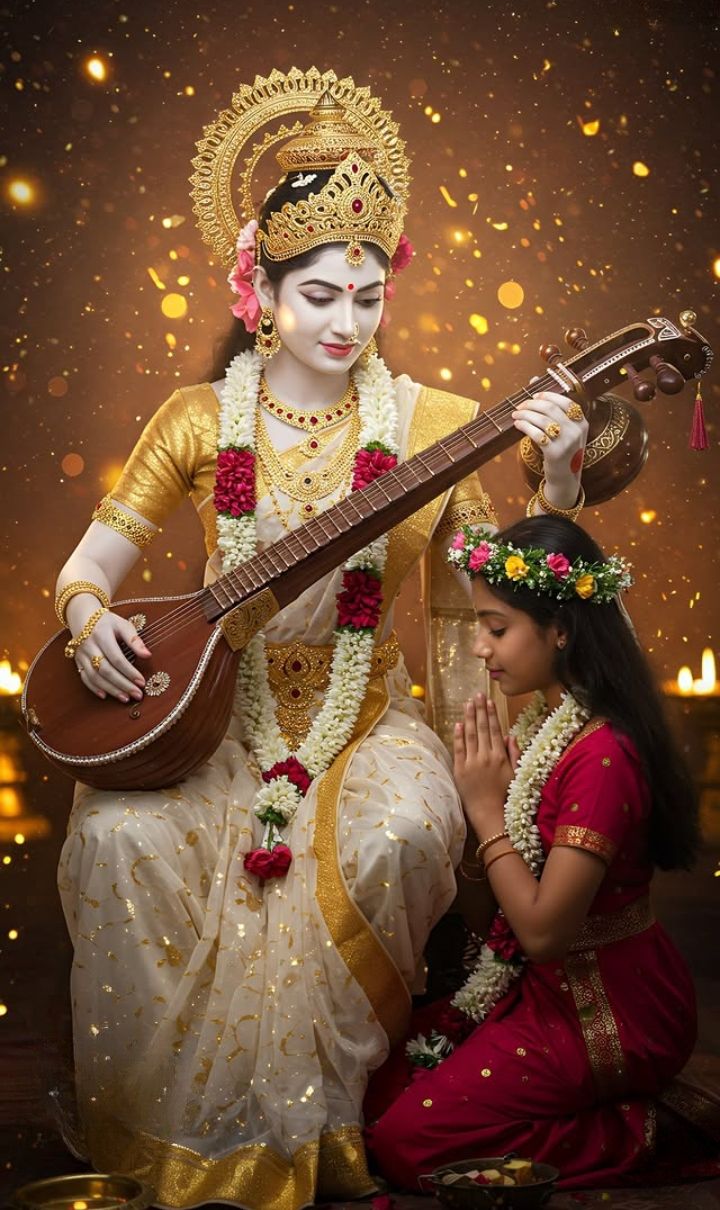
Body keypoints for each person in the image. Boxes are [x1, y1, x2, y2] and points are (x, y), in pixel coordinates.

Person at [53, 70, 587, 1208]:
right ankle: (172, 1132)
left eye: (367, 298)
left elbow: (496, 589)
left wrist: (565, 480)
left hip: (364, 719)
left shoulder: (436, 425)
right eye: (319, 297)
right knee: (117, 844)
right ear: (260, 292)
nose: (346, 323)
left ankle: (319, 1127)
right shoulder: (197, 419)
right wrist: (89, 617)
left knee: (395, 831)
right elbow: (93, 564)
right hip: (213, 717)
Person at [368, 514, 699, 1191]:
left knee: (407, 1146)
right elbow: (506, 906)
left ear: (561, 630)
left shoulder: (602, 756)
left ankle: (640, 1131)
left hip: (610, 1005)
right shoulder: (546, 724)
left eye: (497, 629)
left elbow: (545, 932)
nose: (482, 652)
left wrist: (487, 810)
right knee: (373, 1087)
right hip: (540, 988)